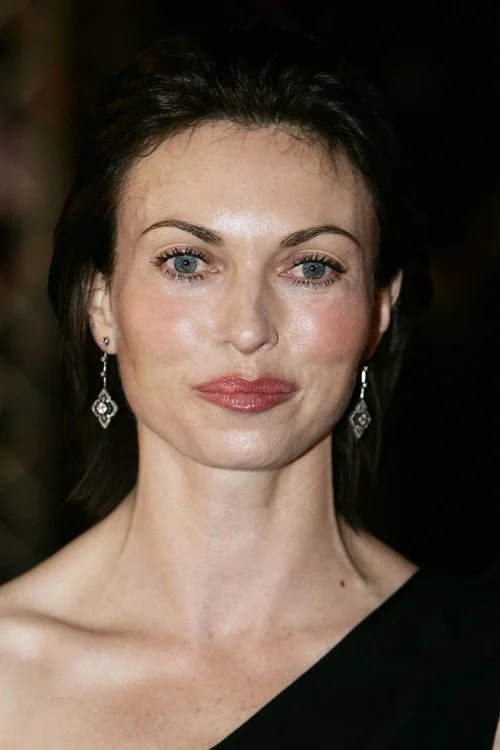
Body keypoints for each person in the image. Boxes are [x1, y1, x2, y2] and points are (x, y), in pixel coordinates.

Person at [0, 20, 498, 749]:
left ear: (380, 312)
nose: (248, 329)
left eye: (312, 268)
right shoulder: (9, 673)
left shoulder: (478, 676)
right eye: (187, 263)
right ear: (101, 304)